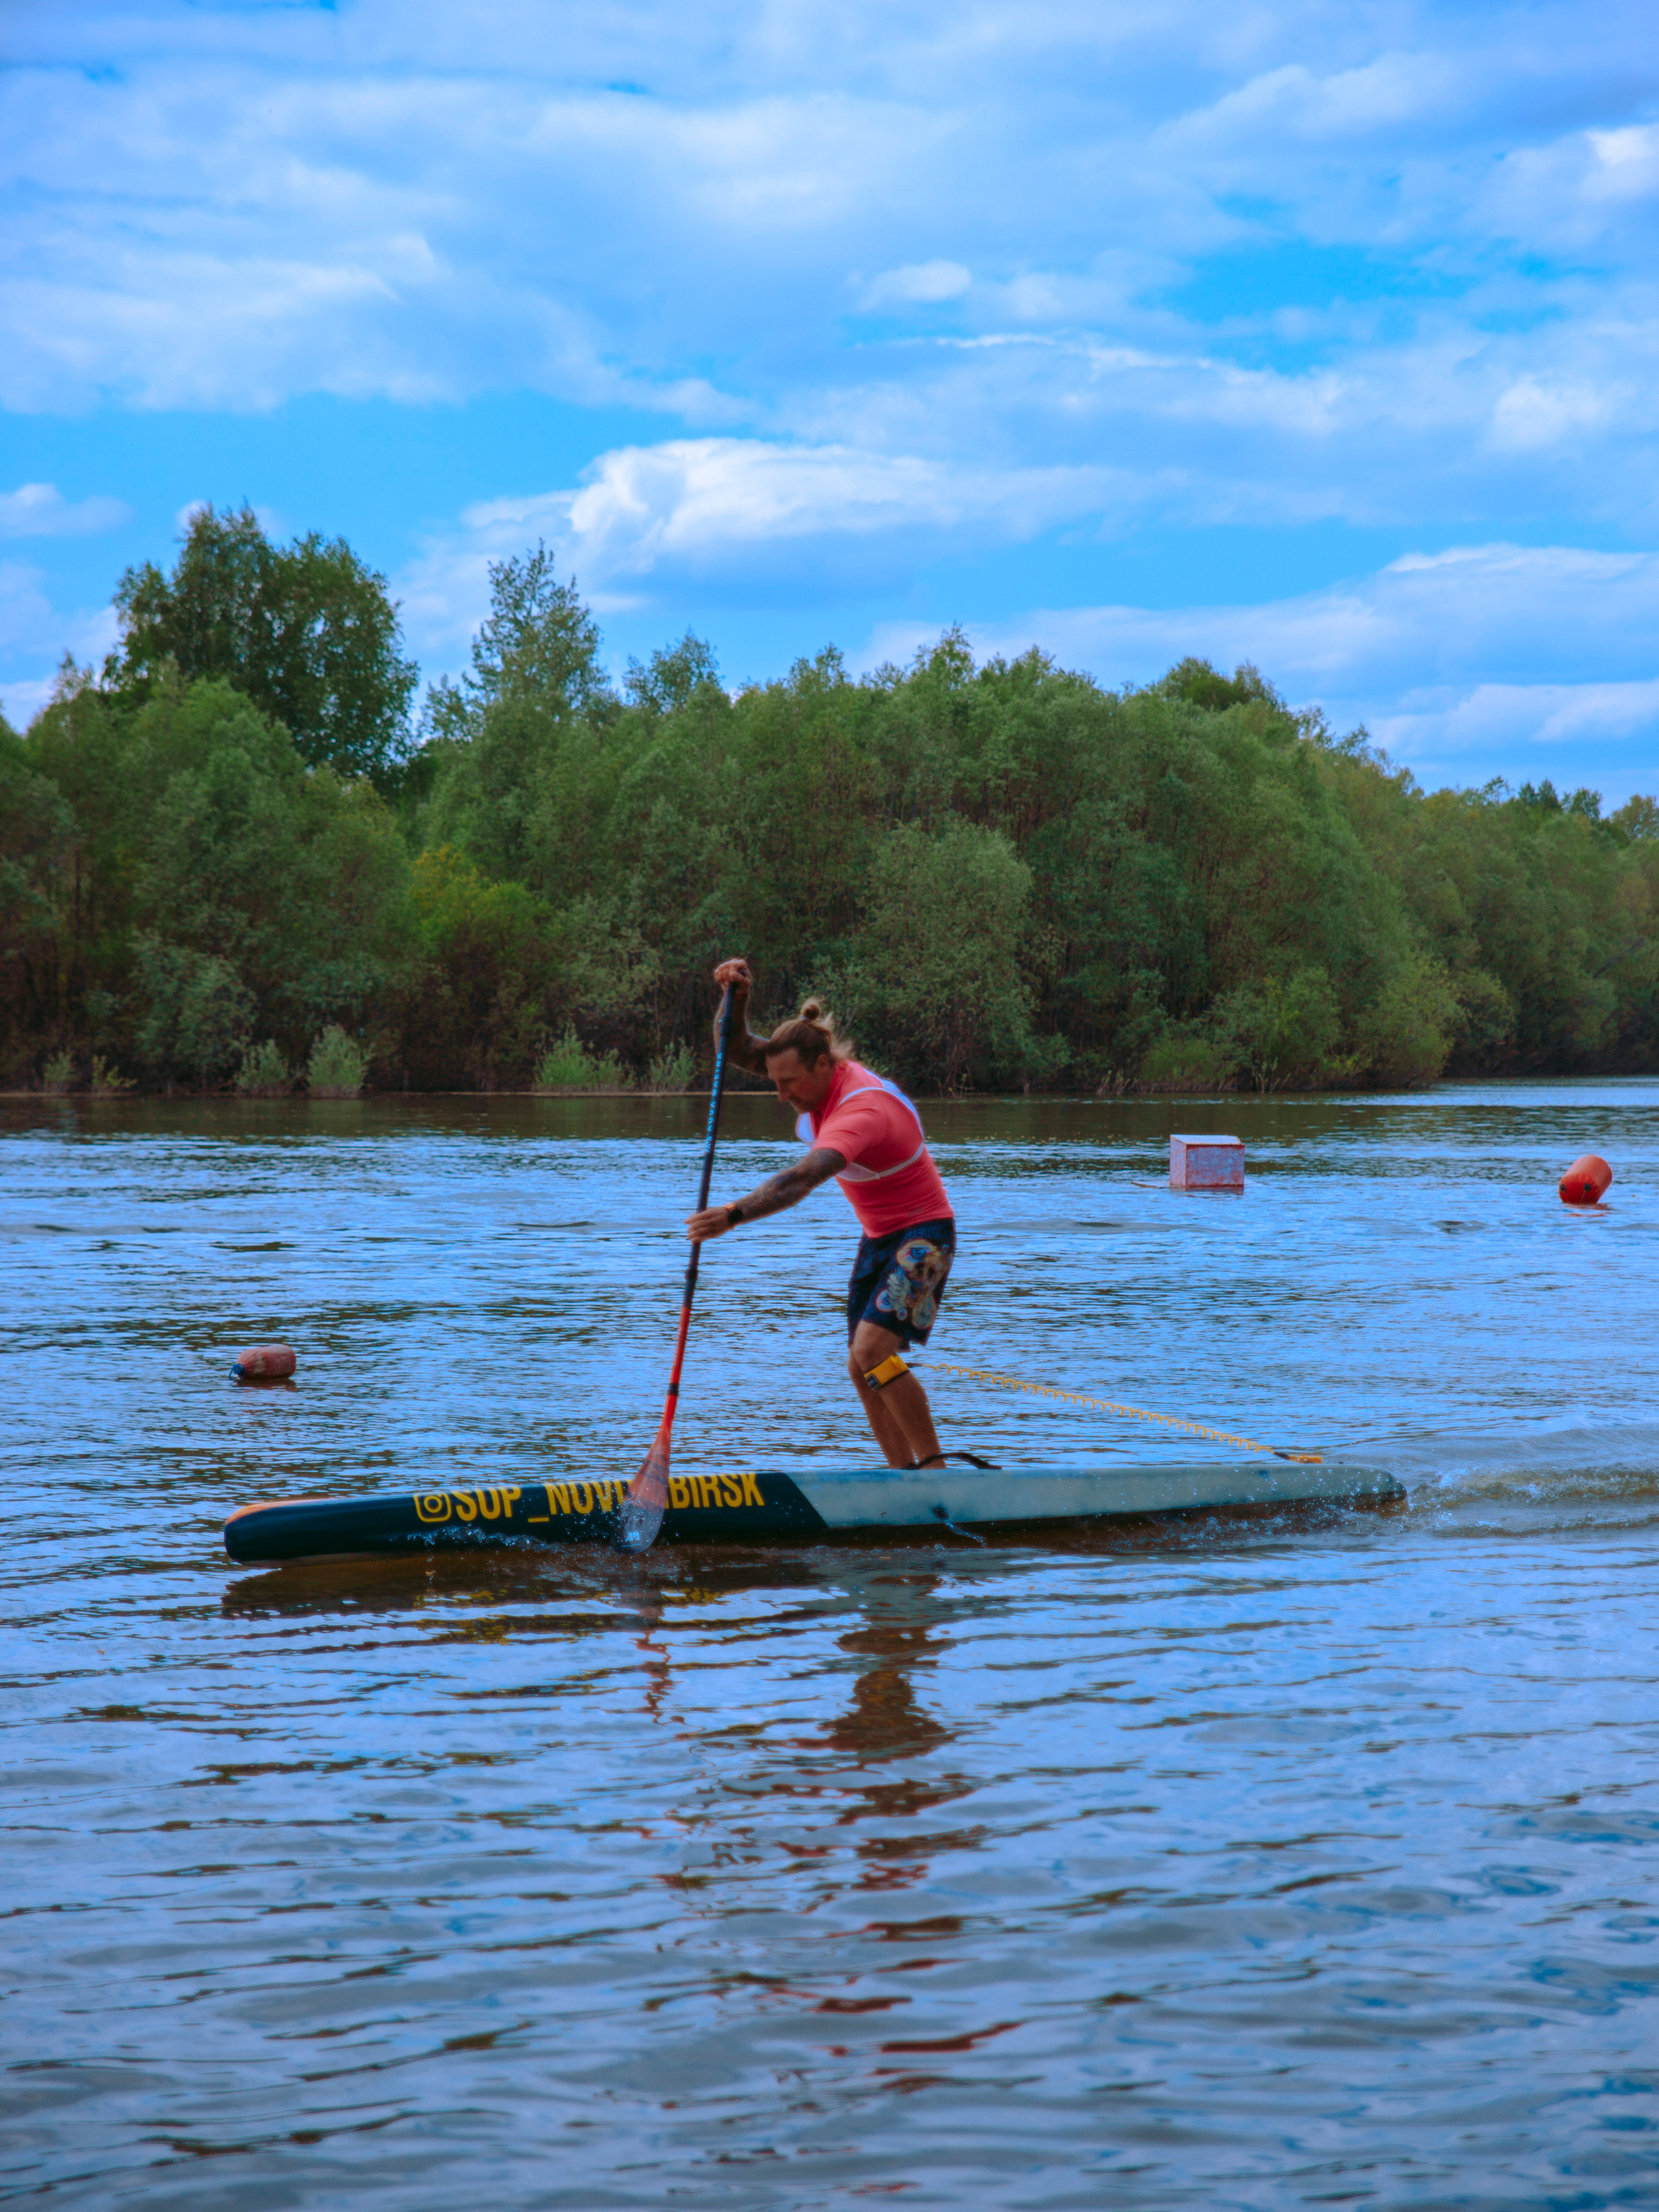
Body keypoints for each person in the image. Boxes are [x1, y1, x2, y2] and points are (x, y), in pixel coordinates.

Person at [685, 957, 956, 1471]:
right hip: (879, 1236)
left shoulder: (862, 1111)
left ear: (824, 1065)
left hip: (927, 1234)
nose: (782, 1094)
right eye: (775, 1082)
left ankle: (935, 1475)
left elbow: (800, 1179)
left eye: (790, 1083)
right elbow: (736, 1048)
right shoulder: (806, 1067)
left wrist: (733, 1213)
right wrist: (737, 996)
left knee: (874, 1350)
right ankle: (902, 1479)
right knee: (862, 1366)